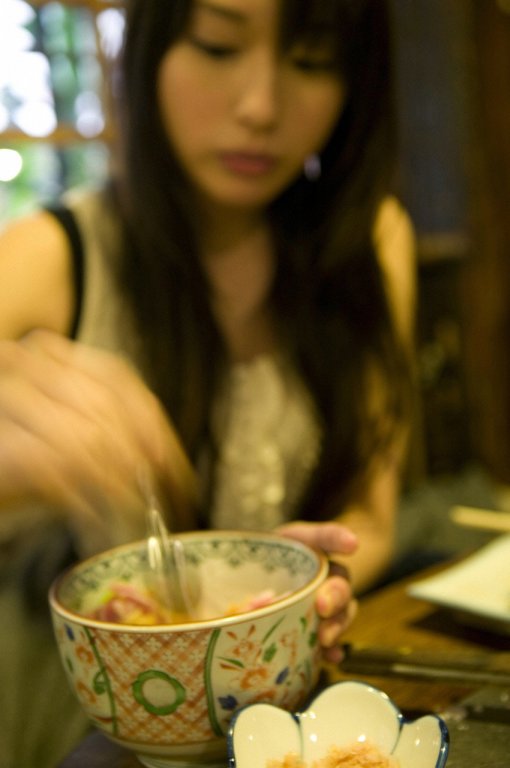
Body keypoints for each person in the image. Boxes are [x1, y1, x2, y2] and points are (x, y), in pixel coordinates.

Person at [0, 0, 416, 765]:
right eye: (218, 46)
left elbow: (373, 514)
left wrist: (305, 585)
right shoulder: (46, 258)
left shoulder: (372, 241)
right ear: (148, 53)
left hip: (288, 714)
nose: (261, 107)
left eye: (312, 60)